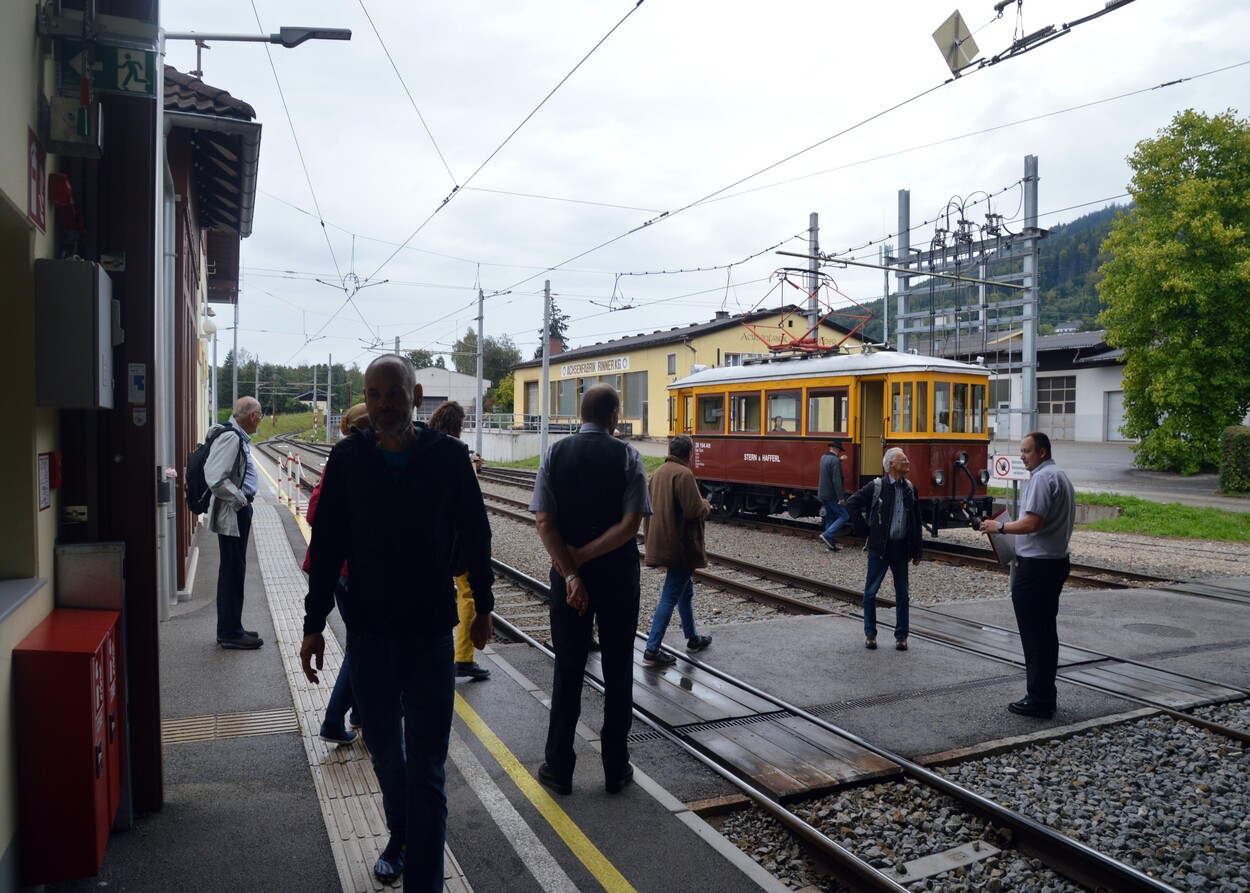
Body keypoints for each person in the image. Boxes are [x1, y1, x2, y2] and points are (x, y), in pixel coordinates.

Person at [300, 354, 494, 891]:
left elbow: (476, 533)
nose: (384, 404)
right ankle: (402, 835)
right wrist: (314, 623)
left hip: (430, 635)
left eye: (394, 393)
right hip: (369, 637)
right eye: (374, 394)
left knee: (428, 772)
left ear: (416, 396)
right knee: (387, 756)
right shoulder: (348, 458)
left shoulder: (448, 458)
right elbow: (328, 543)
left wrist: (483, 606)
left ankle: (423, 881)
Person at [528, 384, 650, 796]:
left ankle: (559, 768)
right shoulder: (629, 457)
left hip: (568, 580)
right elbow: (630, 525)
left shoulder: (554, 455)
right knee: (618, 669)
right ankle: (616, 767)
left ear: (581, 414)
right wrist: (586, 556)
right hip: (618, 578)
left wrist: (571, 571)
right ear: (614, 417)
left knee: (568, 668)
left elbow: (544, 521)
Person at [978, 432, 1075, 719]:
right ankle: (1045, 695)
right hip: (1056, 561)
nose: (1022, 456)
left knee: (1035, 635)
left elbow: (1033, 522)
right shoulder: (1061, 476)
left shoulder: (1042, 479)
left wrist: (999, 528)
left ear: (1042, 452)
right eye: (1021, 451)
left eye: (1027, 451)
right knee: (1046, 632)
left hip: (1037, 567)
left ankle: (1039, 699)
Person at [303, 403, 371, 745]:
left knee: (362, 644)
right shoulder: (347, 460)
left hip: (346, 571)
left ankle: (359, 713)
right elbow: (316, 514)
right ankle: (333, 720)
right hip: (347, 571)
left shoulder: (345, 459)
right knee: (360, 648)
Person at [426, 399, 491, 681]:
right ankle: (463, 657)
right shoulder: (454, 452)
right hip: (457, 539)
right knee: (467, 594)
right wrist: (473, 466)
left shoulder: (424, 448)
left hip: (436, 543)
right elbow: (469, 505)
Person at [641, 435, 712, 665]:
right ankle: (652, 648)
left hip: (663, 541)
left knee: (685, 591)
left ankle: (693, 638)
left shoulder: (658, 473)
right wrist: (706, 504)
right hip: (681, 546)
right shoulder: (684, 474)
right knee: (670, 595)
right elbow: (694, 510)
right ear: (689, 453)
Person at [845, 447, 923, 651]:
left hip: (901, 549)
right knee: (870, 593)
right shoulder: (876, 487)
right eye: (903, 459)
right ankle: (870, 634)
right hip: (879, 549)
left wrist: (917, 550)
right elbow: (852, 503)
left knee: (903, 595)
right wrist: (864, 531)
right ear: (891, 464)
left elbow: (916, 521)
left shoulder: (910, 489)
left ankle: (901, 636)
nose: (907, 462)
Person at [206, 396, 264, 650]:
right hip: (234, 511)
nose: (260, 420)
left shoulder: (236, 436)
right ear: (252, 416)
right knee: (232, 571)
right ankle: (230, 632)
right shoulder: (231, 437)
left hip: (236, 510)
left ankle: (231, 627)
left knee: (233, 570)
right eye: (260, 415)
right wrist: (241, 501)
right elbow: (215, 478)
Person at [817, 440, 850, 552]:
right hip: (831, 495)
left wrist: (839, 460)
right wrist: (840, 497)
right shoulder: (834, 460)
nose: (840, 453)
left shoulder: (823, 458)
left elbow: (829, 467)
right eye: (839, 451)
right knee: (844, 516)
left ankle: (830, 545)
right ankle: (827, 534)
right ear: (837, 450)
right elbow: (837, 481)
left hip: (823, 494)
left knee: (830, 518)